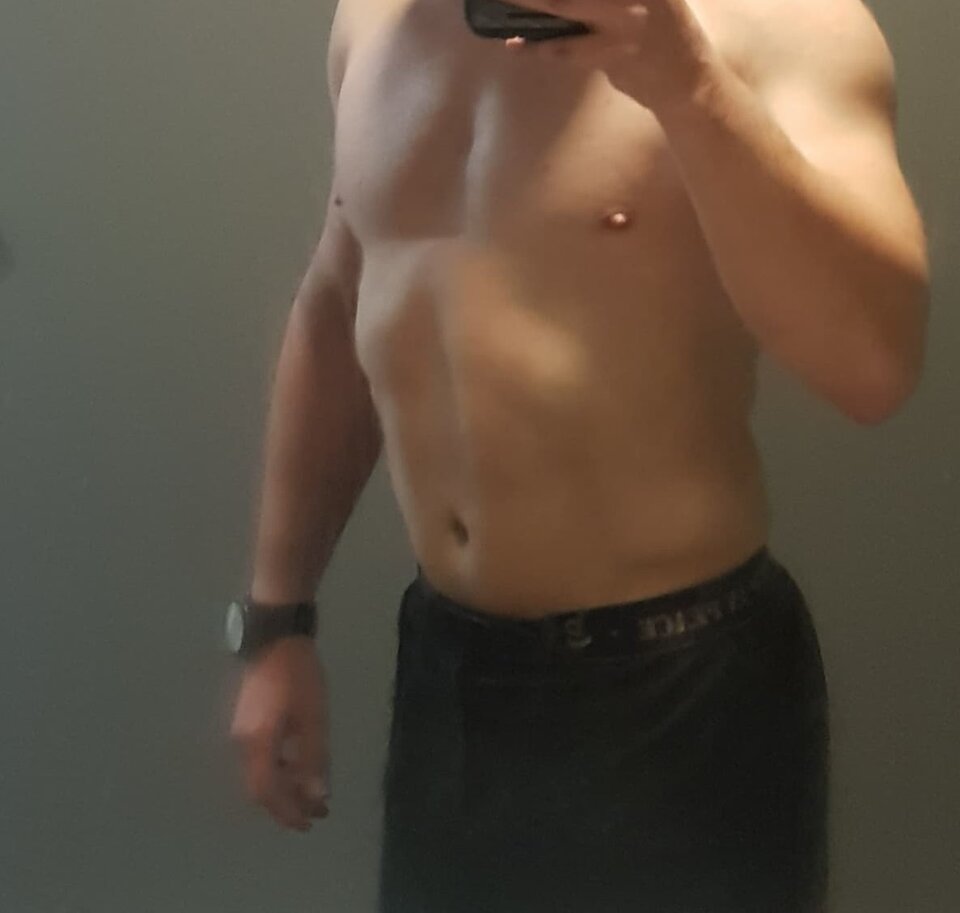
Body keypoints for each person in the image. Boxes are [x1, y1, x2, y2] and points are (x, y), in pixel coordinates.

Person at [228, 0, 930, 910]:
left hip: (679, 689)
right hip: (452, 674)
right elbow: (340, 298)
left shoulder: (787, 24)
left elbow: (874, 367)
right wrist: (277, 620)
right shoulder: (374, 20)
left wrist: (688, 84)